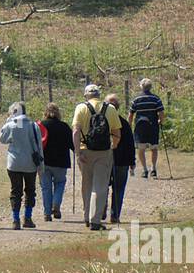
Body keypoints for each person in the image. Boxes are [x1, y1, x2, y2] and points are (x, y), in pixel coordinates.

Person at [72, 85, 121, 231]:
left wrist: (77, 152)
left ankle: (87, 216)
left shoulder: (80, 108)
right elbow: (117, 132)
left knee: (86, 184)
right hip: (103, 152)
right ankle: (95, 220)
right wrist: (113, 146)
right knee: (100, 186)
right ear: (99, 95)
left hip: (85, 151)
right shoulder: (110, 109)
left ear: (86, 95)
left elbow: (75, 131)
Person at [0, 101, 44, 229]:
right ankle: (28, 218)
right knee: (30, 191)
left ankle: (15, 220)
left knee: (15, 191)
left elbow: (2, 138)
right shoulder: (33, 125)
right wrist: (41, 166)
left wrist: (8, 121)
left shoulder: (12, 125)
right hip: (30, 163)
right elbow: (39, 146)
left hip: (14, 163)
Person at [37, 103, 72, 221]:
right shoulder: (64, 126)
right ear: (58, 113)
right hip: (61, 162)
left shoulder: (40, 126)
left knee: (46, 187)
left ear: (45, 112)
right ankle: (56, 204)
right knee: (60, 183)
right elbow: (72, 144)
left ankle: (47, 213)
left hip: (44, 162)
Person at [107, 93, 135, 223]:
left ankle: (100, 210)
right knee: (118, 189)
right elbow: (130, 143)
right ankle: (115, 215)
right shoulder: (123, 122)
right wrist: (132, 161)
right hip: (122, 161)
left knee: (102, 186)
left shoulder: (100, 121)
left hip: (104, 160)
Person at [129, 78, 166, 178]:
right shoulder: (156, 99)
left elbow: (131, 114)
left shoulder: (136, 99)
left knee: (141, 149)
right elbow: (161, 113)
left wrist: (129, 125)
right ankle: (153, 168)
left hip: (140, 127)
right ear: (151, 87)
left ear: (141, 87)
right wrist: (161, 122)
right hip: (153, 126)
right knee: (153, 148)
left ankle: (145, 170)